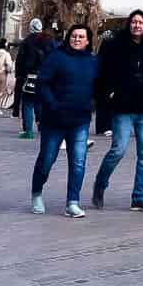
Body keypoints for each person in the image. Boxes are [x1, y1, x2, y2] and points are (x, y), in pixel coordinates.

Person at [91, 8, 143, 212]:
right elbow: (103, 73)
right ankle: (100, 183)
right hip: (123, 107)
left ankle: (139, 197)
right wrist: (110, 94)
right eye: (134, 22)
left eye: (140, 22)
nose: (137, 26)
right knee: (118, 150)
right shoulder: (116, 45)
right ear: (129, 24)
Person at [31, 23, 98, 217]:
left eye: (81, 37)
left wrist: (93, 103)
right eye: (74, 36)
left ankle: (72, 202)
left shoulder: (92, 61)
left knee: (78, 161)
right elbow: (42, 83)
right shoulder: (57, 57)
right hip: (55, 119)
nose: (77, 39)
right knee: (47, 159)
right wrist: (53, 105)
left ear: (88, 41)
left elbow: (98, 85)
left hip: (80, 120)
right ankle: (36, 192)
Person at [15, 20, 53, 141]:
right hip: (45, 76)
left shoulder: (27, 42)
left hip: (30, 76)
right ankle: (42, 126)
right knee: (41, 102)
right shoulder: (48, 40)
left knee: (28, 103)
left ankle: (28, 131)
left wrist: (20, 75)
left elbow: (20, 60)